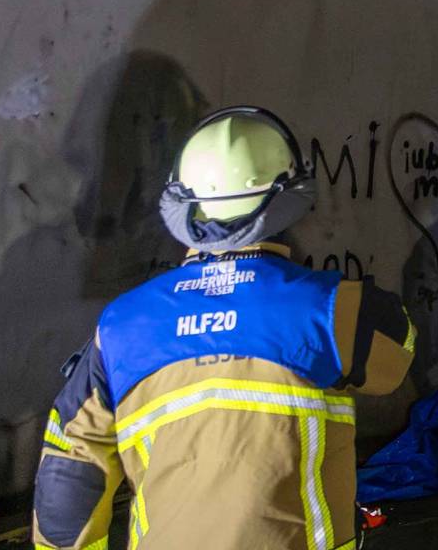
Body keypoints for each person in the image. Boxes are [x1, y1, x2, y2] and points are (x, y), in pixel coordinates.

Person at [31, 107, 413, 550]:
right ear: (288, 197)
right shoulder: (329, 308)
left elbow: (69, 472)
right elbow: (397, 354)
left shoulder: (121, 327)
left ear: (184, 203)